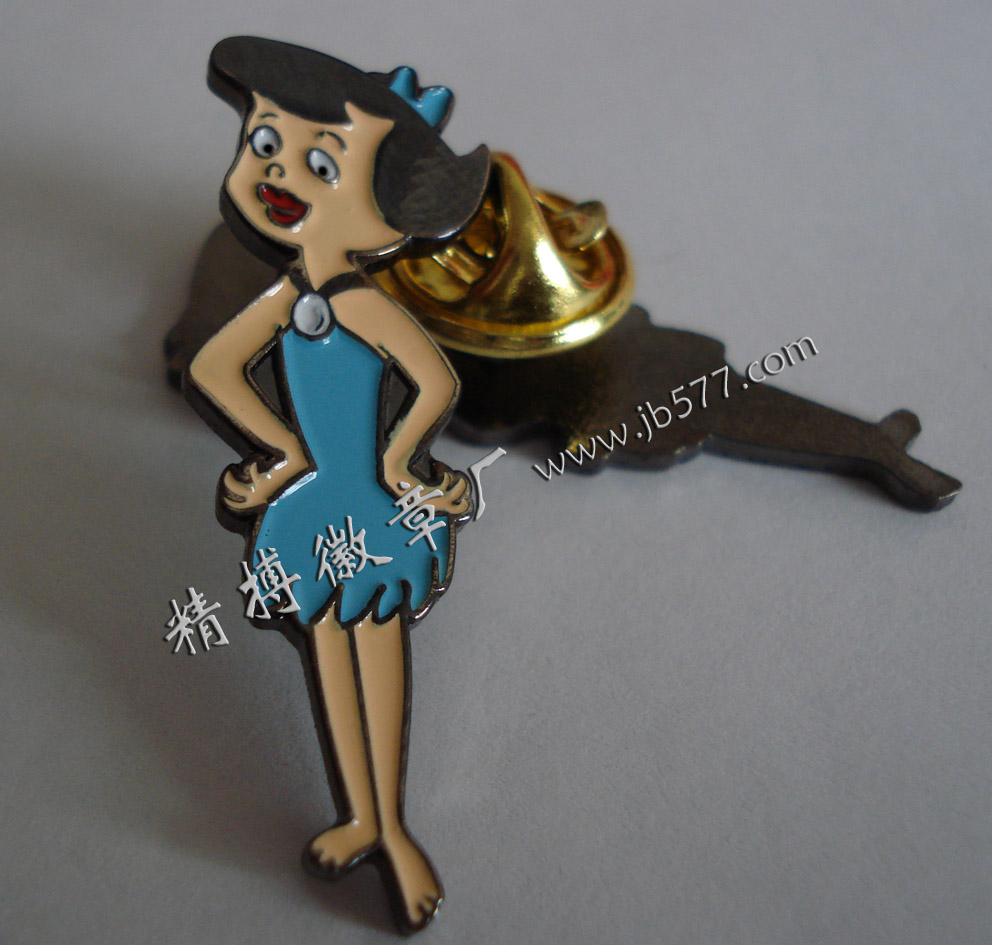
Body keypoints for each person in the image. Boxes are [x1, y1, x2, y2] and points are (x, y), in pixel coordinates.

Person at [185, 36, 491, 932]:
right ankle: (361, 817)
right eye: (264, 143)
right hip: (314, 506)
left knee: (376, 655)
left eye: (322, 164)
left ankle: (393, 827)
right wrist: (283, 452)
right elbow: (211, 369)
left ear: (389, 214)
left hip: (374, 508)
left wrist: (399, 464)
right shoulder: (286, 301)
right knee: (329, 656)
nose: (279, 173)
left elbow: (433, 383)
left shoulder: (359, 303)